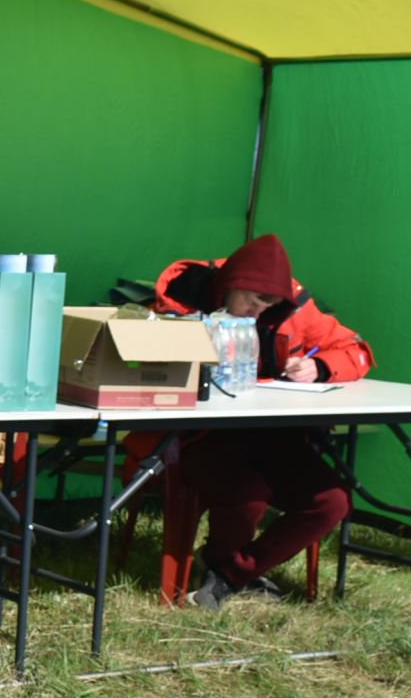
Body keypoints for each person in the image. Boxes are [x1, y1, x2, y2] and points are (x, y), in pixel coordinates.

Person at [151, 232, 374, 609]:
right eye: (254, 300)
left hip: (274, 434)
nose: (259, 311)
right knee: (247, 495)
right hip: (197, 436)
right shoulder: (182, 300)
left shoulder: (294, 307)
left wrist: (319, 366)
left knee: (332, 502)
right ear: (231, 286)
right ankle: (224, 570)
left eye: (269, 303)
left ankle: (228, 575)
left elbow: (356, 350)